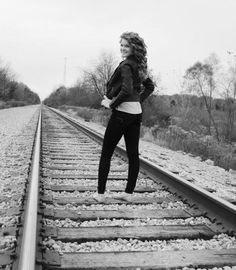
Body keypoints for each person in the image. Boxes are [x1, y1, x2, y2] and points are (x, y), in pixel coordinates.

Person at [94, 32, 155, 201]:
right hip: (136, 115)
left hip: (122, 114)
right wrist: (138, 101)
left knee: (106, 153)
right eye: (121, 45)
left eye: (126, 45)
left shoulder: (126, 66)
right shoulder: (139, 65)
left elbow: (126, 90)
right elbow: (150, 87)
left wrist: (111, 104)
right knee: (133, 154)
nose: (122, 48)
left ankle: (100, 195)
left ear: (133, 47)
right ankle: (128, 194)